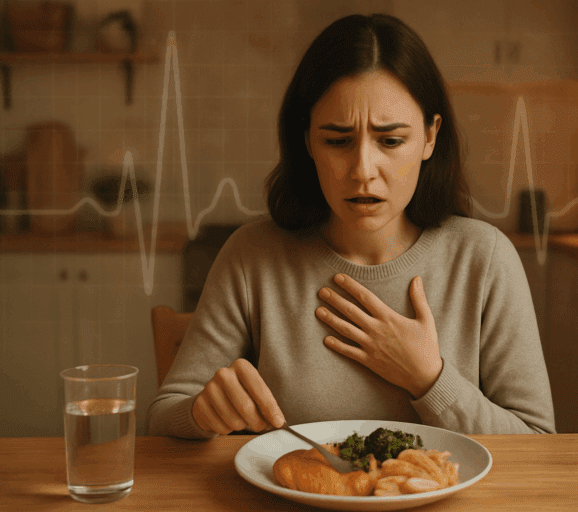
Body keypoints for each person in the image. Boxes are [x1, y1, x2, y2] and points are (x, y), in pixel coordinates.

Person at [147, 13, 555, 439]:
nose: (363, 170)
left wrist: (429, 379)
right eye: (338, 141)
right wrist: (202, 413)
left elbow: (538, 442)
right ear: (307, 140)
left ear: (430, 137)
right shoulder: (253, 255)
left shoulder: (486, 258)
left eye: (391, 141)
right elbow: (161, 418)